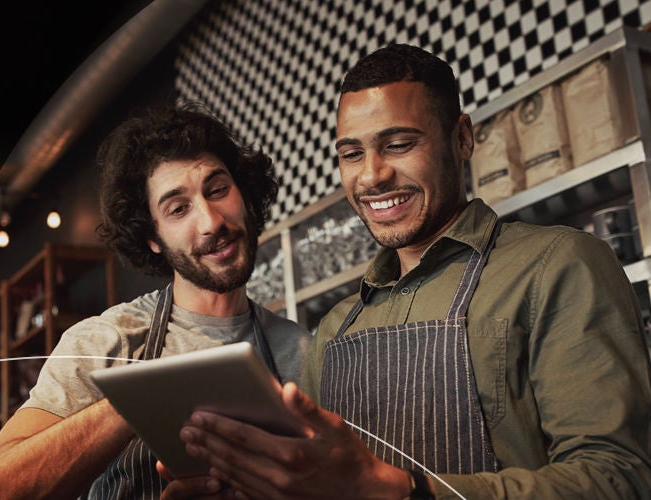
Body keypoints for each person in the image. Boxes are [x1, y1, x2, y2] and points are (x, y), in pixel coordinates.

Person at [176, 43, 651, 498]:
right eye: (351, 154)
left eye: (399, 144)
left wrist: (402, 492)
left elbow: (619, 479)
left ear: (462, 137)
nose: (372, 175)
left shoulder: (557, 266)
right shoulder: (335, 329)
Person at [0, 104, 311, 499]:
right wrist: (140, 398)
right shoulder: (106, 342)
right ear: (152, 237)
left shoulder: (301, 352)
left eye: (218, 190)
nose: (212, 221)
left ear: (244, 197)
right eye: (178, 209)